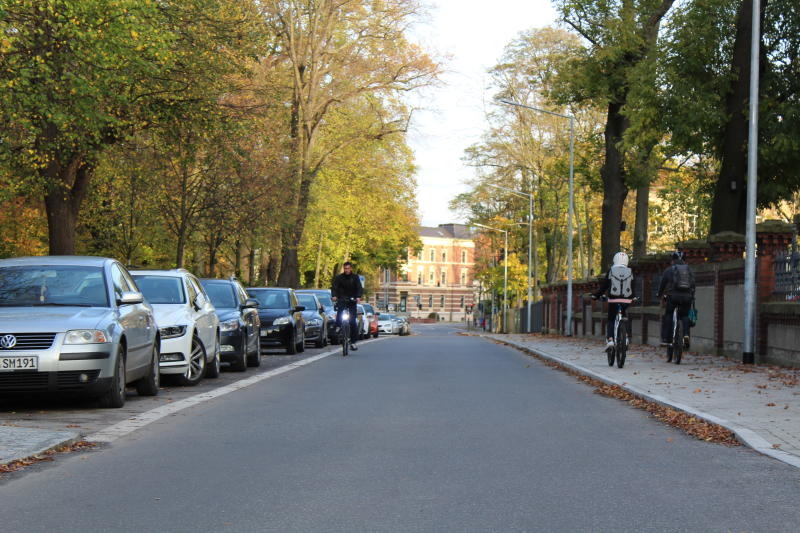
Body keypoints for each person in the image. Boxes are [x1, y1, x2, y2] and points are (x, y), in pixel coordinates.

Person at [592, 252, 635, 351]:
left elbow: (604, 286)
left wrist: (596, 295)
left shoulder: (611, 270)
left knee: (611, 319)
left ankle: (610, 339)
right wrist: (633, 297)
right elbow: (633, 286)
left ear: (615, 260)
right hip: (626, 300)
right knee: (624, 317)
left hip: (614, 300)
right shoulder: (630, 271)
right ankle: (626, 337)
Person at [658, 251, 695, 352]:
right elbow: (693, 284)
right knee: (685, 315)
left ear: (672, 260)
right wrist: (692, 295)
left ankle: (666, 339)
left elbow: (662, 284)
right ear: (684, 260)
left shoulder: (669, 270)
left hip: (673, 297)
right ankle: (686, 335)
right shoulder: (689, 270)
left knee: (669, 314)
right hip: (687, 297)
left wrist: (659, 294)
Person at [331, 261, 363, 350]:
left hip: (352, 300)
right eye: (345, 268)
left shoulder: (355, 277)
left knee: (352, 321)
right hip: (342, 299)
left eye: (348, 268)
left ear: (351, 268)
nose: (347, 270)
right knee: (340, 311)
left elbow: (359, 288)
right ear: (343, 269)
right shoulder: (339, 278)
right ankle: (338, 326)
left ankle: (353, 342)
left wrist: (358, 297)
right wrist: (334, 296)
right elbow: (334, 287)